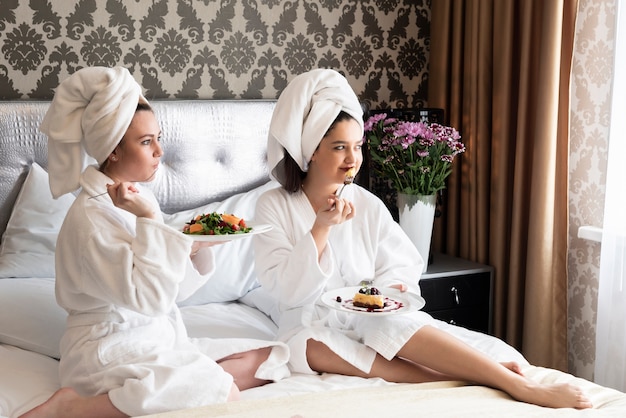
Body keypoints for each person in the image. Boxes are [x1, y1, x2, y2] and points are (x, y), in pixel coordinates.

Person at [252, 68, 592, 409]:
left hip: (369, 316)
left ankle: (516, 385)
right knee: (305, 345)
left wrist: (393, 289)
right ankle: (466, 377)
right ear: (311, 150)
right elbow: (285, 289)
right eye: (340, 147)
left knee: (390, 324)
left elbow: (400, 262)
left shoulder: (365, 203)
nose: (353, 159)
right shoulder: (273, 206)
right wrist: (320, 229)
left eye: (357, 146)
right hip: (310, 321)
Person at [19, 66, 289, 418]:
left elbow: (170, 293)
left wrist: (193, 249)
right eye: (146, 142)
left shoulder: (132, 198)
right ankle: (72, 407)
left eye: (158, 138)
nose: (160, 151)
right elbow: (150, 298)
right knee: (221, 392)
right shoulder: (92, 218)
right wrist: (150, 220)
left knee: (270, 359)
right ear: (113, 150)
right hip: (109, 345)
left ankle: (187, 384)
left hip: (154, 333)